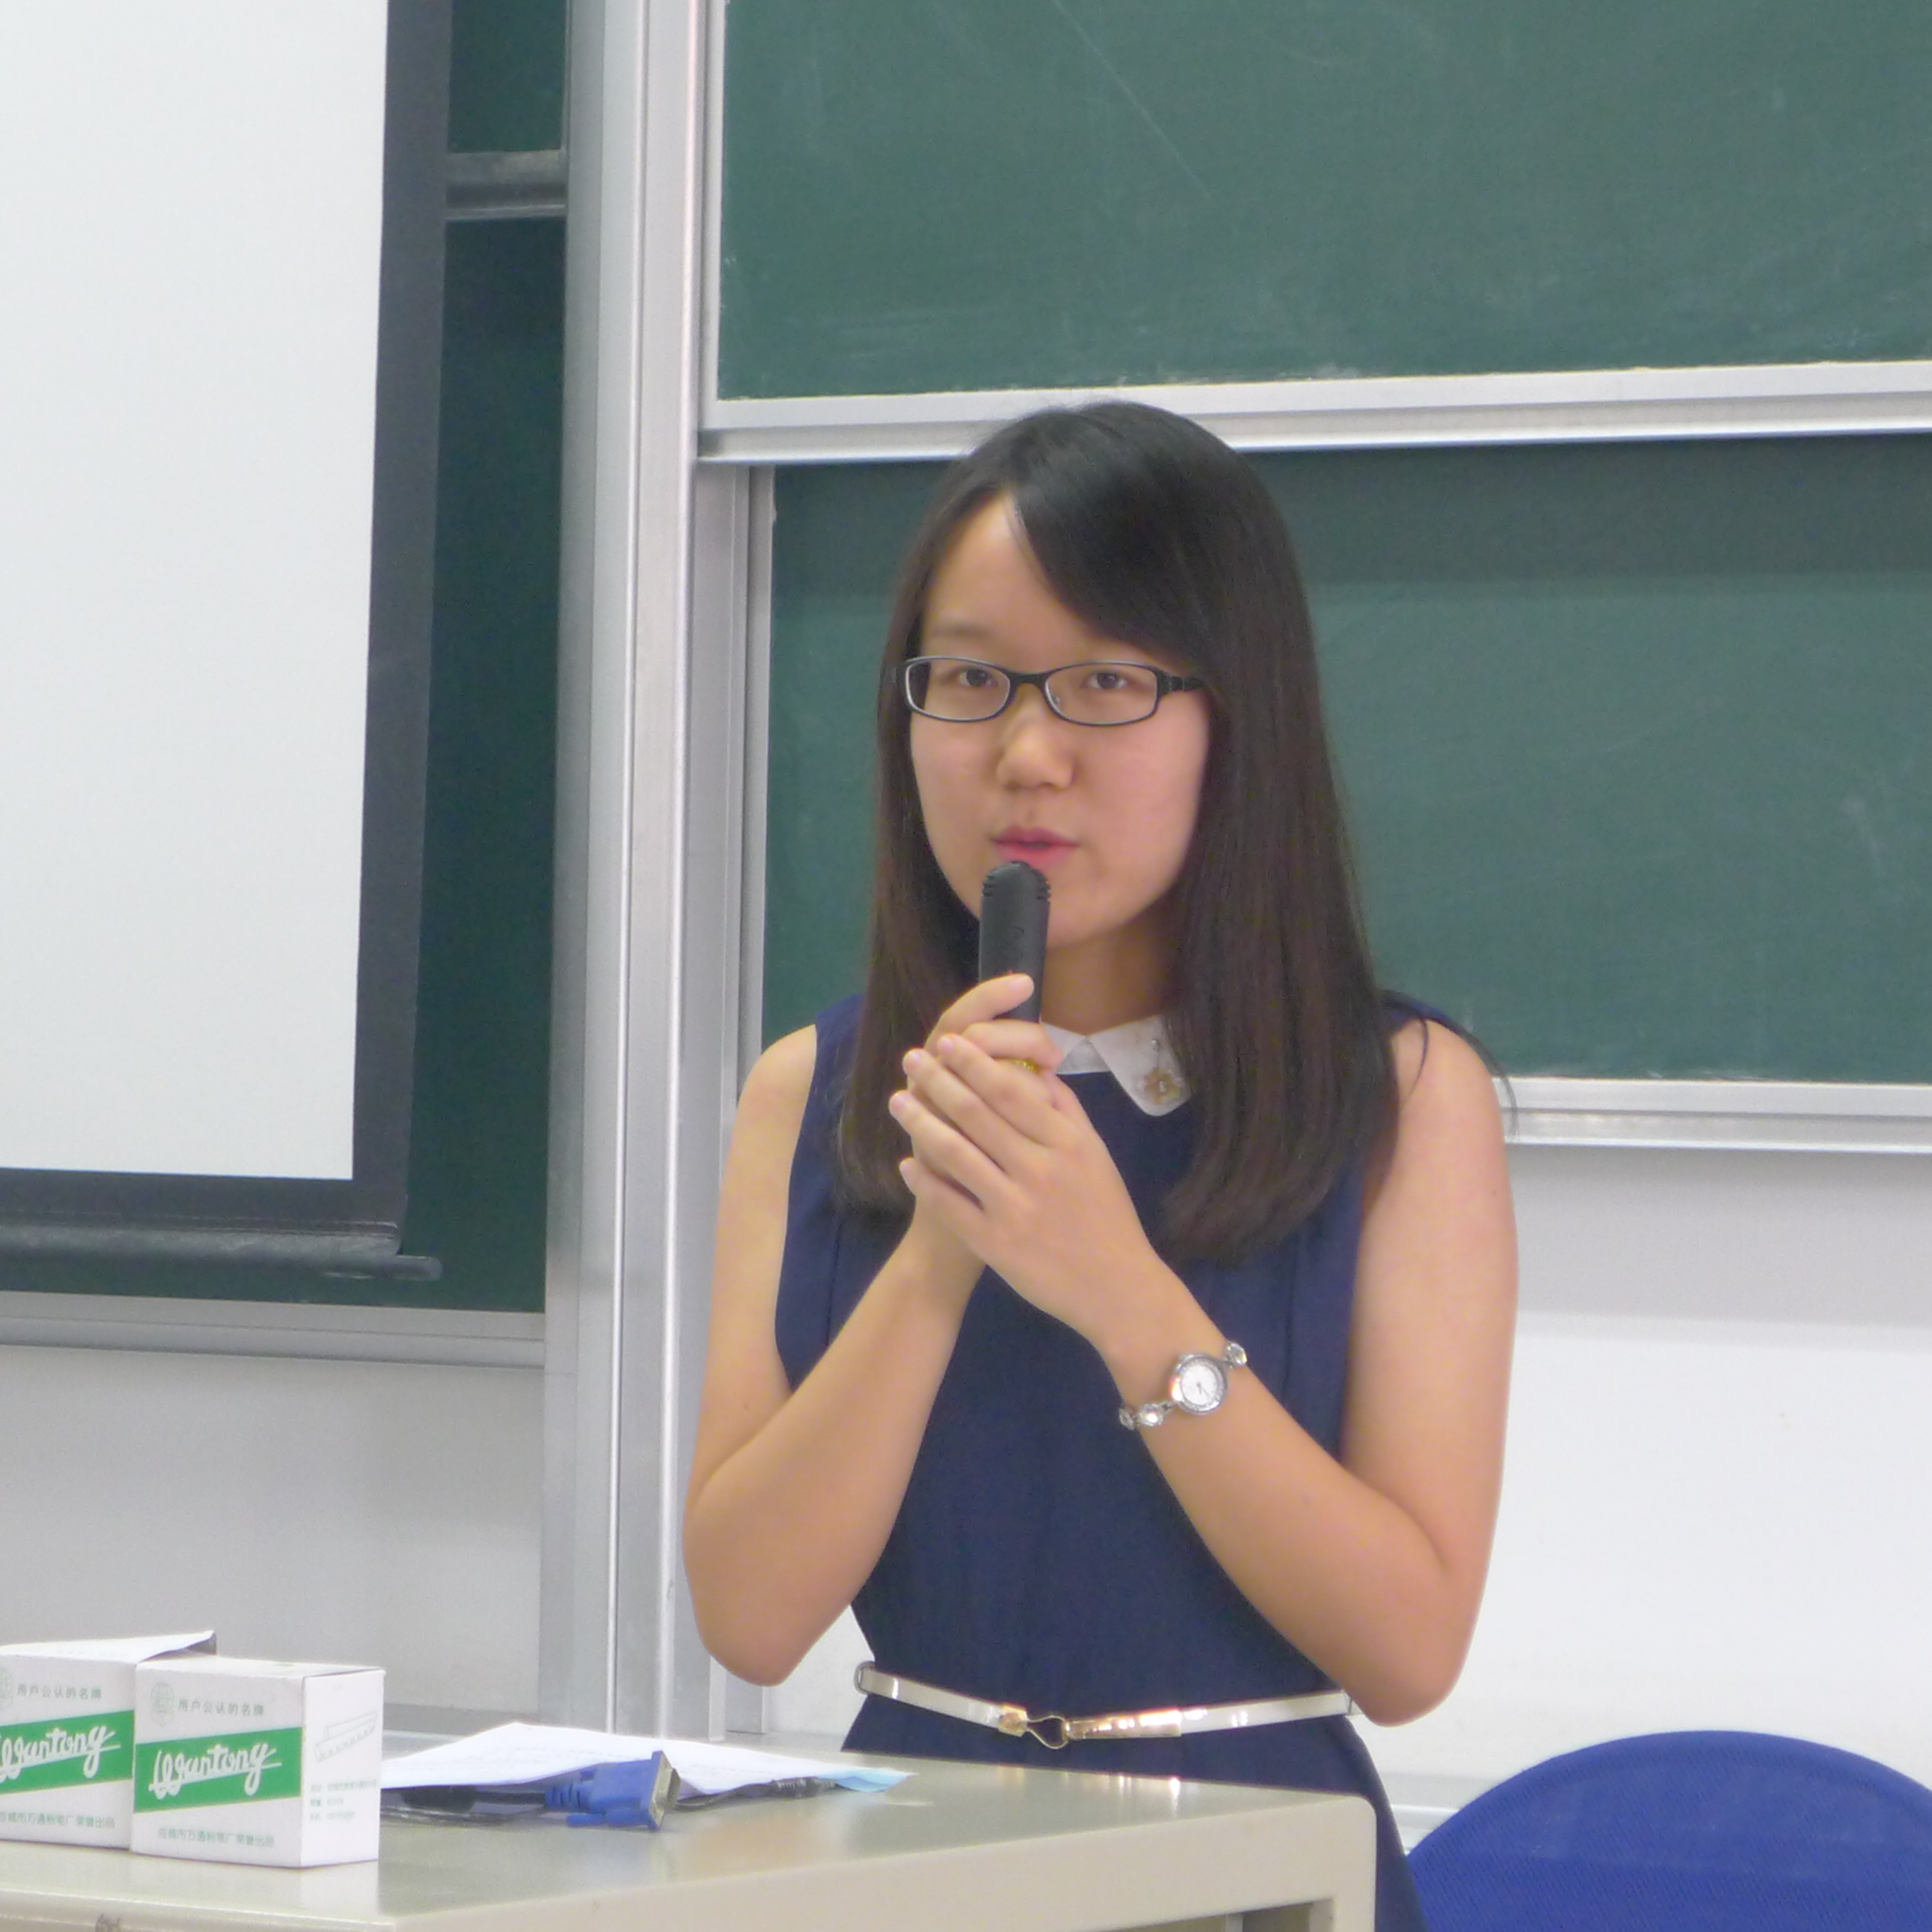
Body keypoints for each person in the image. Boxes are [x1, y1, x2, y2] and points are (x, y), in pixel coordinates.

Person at [684, 401, 1516, 1928]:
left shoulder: (1401, 1098)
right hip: (913, 1848)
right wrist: (944, 1247)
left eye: (1108, 682)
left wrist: (1120, 1291)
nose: (1027, 753)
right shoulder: (813, 1089)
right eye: (970, 680)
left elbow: (1406, 1649)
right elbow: (748, 1614)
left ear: (1235, 717)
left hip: (1253, 1861)